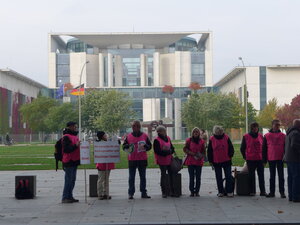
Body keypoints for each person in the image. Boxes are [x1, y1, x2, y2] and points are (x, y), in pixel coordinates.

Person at [123, 120, 152, 199]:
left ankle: (143, 192)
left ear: (139, 127)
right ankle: (131, 193)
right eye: (132, 126)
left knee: (143, 177)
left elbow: (150, 146)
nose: (133, 128)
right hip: (132, 159)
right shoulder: (128, 136)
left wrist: (145, 147)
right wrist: (126, 147)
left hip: (142, 159)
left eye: (135, 126)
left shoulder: (144, 136)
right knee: (131, 177)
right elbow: (124, 146)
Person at [208, 125, 234, 197]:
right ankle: (221, 191)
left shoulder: (226, 137)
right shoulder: (212, 139)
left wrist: (230, 155)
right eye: (218, 131)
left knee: (228, 176)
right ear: (215, 132)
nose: (219, 132)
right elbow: (209, 151)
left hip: (227, 161)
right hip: (216, 161)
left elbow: (231, 147)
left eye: (220, 131)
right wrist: (210, 161)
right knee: (218, 177)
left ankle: (229, 191)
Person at [240, 122, 266, 196]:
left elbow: (264, 148)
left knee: (261, 176)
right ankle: (252, 191)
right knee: (251, 176)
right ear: (251, 128)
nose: (255, 128)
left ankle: (262, 191)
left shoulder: (261, 136)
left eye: (256, 127)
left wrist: (264, 158)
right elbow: (242, 148)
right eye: (254, 127)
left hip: (260, 159)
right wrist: (245, 157)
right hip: (250, 159)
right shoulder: (246, 136)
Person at [262, 120, 286, 198]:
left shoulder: (283, 135)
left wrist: (285, 157)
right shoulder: (266, 135)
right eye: (276, 125)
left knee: (281, 176)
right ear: (272, 125)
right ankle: (272, 192)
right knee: (272, 176)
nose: (277, 126)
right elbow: (264, 149)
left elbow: (286, 147)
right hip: (271, 158)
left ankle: (282, 192)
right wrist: (264, 160)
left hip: (280, 158)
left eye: (279, 125)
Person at [153, 126, 176, 198]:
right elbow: (157, 151)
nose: (163, 132)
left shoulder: (168, 138)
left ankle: (172, 191)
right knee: (163, 176)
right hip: (162, 160)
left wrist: (170, 151)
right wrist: (166, 152)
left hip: (169, 160)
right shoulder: (156, 140)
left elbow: (172, 148)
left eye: (163, 131)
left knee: (171, 175)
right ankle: (164, 192)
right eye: (159, 131)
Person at [61, 121, 80, 203]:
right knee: (69, 180)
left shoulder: (74, 136)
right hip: (69, 161)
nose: (75, 127)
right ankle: (65, 197)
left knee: (72, 180)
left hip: (74, 161)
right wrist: (76, 146)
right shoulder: (66, 137)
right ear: (70, 127)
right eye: (74, 126)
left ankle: (70, 196)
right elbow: (66, 149)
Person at [183, 127, 206, 197]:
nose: (195, 133)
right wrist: (191, 153)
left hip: (199, 161)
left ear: (199, 133)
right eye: (194, 132)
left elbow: (204, 151)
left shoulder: (202, 141)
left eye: (197, 132)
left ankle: (197, 191)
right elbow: (185, 149)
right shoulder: (189, 140)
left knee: (198, 177)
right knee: (191, 177)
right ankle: (192, 191)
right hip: (190, 161)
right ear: (192, 133)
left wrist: (201, 155)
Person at [284, 119, 300, 202]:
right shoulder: (296, 133)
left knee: (291, 177)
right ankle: (296, 197)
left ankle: (291, 196)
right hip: (295, 159)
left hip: (289, 158)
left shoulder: (289, 132)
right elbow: (294, 145)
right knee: (296, 178)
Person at [96, 131, 115, 200]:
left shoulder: (108, 143)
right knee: (101, 179)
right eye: (104, 135)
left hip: (107, 163)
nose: (106, 136)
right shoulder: (98, 144)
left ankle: (105, 193)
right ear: (101, 137)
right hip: (101, 164)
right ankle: (100, 194)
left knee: (106, 180)